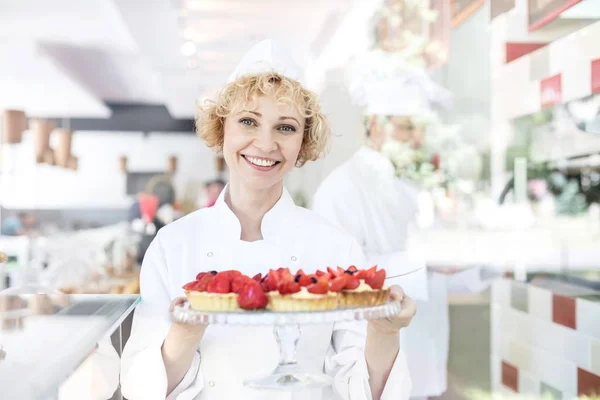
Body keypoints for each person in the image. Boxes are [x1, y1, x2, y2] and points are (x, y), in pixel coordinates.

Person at [120, 39, 416, 400]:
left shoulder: (337, 247)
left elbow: (363, 391)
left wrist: (385, 332)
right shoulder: (172, 244)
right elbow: (139, 390)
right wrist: (184, 333)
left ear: (304, 142)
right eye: (248, 121)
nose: (265, 143)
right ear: (221, 127)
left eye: (286, 127)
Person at [312, 107, 494, 399]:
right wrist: (426, 259)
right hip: (367, 369)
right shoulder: (338, 190)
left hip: (423, 358)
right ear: (374, 124)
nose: (418, 138)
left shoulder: (410, 186)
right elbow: (337, 278)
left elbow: (436, 276)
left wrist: (491, 260)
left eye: (422, 128)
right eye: (408, 127)